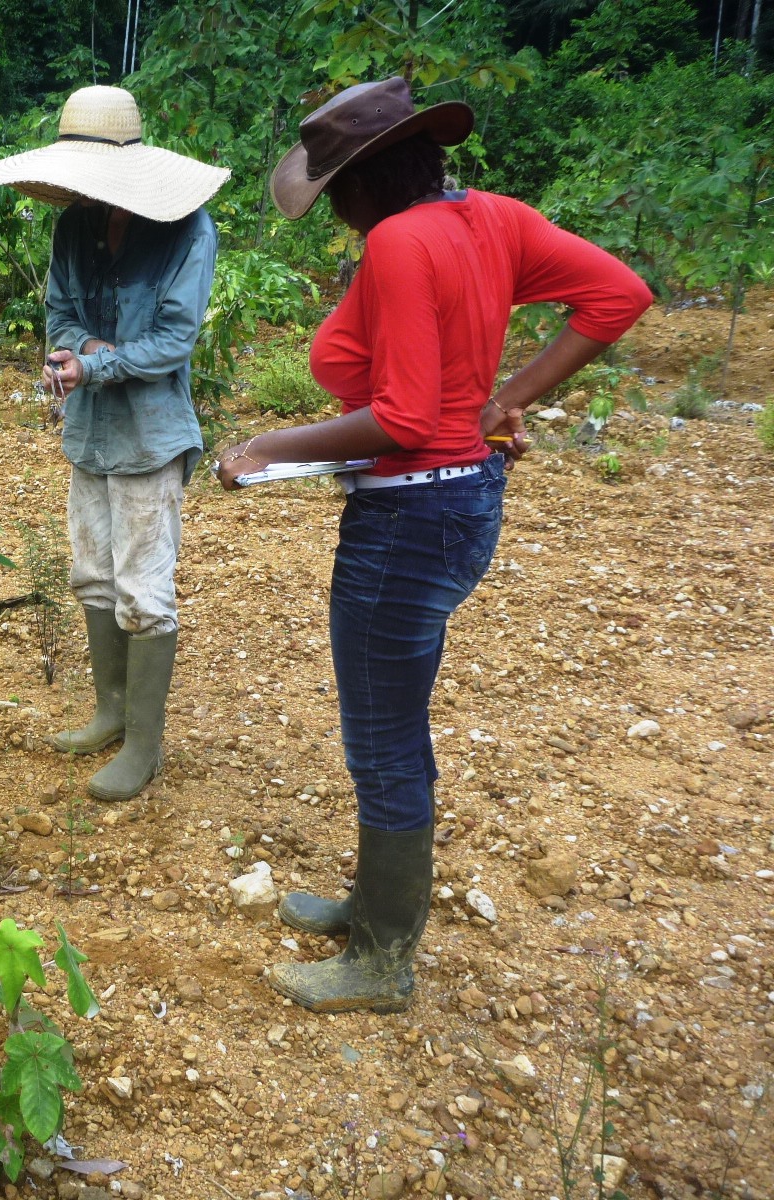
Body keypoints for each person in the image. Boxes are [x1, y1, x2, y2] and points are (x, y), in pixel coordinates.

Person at [216, 77, 650, 1013]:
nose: (332, 209)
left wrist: (265, 448)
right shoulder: (492, 219)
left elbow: (405, 417)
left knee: (383, 742)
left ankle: (382, 959)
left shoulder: (401, 242)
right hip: (460, 502)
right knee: (392, 726)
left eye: (334, 188)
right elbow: (617, 295)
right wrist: (509, 399)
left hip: (408, 518)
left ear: (367, 179)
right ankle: (373, 903)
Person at [0, 85, 229, 801]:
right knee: (92, 574)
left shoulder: (187, 230)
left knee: (145, 589)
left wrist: (96, 363)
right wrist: (78, 349)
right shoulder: (75, 228)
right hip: (91, 432)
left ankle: (144, 745)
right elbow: (60, 311)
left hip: (150, 434)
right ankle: (110, 711)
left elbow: (174, 339)